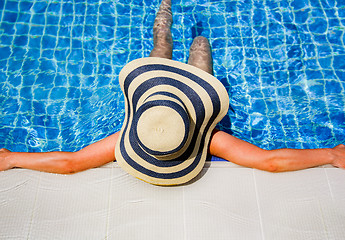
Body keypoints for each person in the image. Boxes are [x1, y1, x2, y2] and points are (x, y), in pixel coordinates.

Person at [0, 0, 345, 178]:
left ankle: (166, 5)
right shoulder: (207, 139)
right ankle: (182, 16)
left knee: (178, 44)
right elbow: (268, 162)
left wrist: (14, 158)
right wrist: (329, 154)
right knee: (181, 44)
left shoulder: (129, 138)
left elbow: (73, 163)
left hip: (167, 94)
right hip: (159, 89)